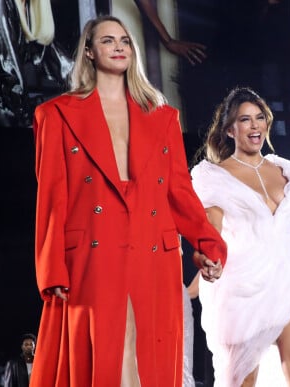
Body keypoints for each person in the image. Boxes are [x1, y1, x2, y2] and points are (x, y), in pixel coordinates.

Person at [29, 15, 226, 387]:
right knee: (108, 357)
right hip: (92, 251)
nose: (119, 46)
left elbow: (179, 194)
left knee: (147, 360)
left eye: (124, 40)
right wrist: (51, 267)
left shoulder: (163, 117)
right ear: (88, 52)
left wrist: (208, 245)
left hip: (154, 249)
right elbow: (51, 198)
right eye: (107, 41)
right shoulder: (55, 116)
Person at [190, 87, 290, 386]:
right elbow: (210, 230)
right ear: (230, 129)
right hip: (242, 285)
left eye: (260, 118)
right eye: (245, 119)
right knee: (241, 378)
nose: (254, 125)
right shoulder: (215, 176)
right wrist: (208, 259)